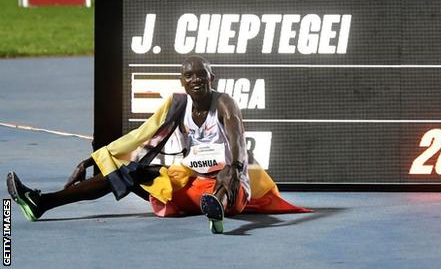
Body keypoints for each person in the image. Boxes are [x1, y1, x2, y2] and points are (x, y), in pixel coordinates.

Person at [7, 56, 307, 233]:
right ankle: (42, 202)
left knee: (229, 171)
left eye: (201, 74)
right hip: (190, 186)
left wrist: (235, 166)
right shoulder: (176, 105)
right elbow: (139, 136)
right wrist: (93, 159)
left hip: (229, 186)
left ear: (212, 77)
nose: (196, 80)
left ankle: (218, 212)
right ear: (182, 82)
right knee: (129, 172)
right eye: (189, 76)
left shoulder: (225, 104)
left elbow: (238, 139)